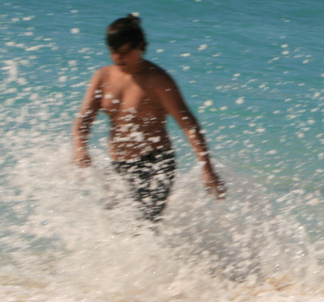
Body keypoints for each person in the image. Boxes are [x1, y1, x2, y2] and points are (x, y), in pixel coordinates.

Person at [72, 14, 224, 222]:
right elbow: (84, 119)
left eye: (125, 52)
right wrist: (80, 147)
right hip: (118, 164)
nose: (119, 58)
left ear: (141, 47)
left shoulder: (158, 80)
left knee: (145, 226)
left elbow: (188, 124)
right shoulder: (103, 77)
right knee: (116, 226)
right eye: (113, 52)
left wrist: (207, 168)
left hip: (155, 163)